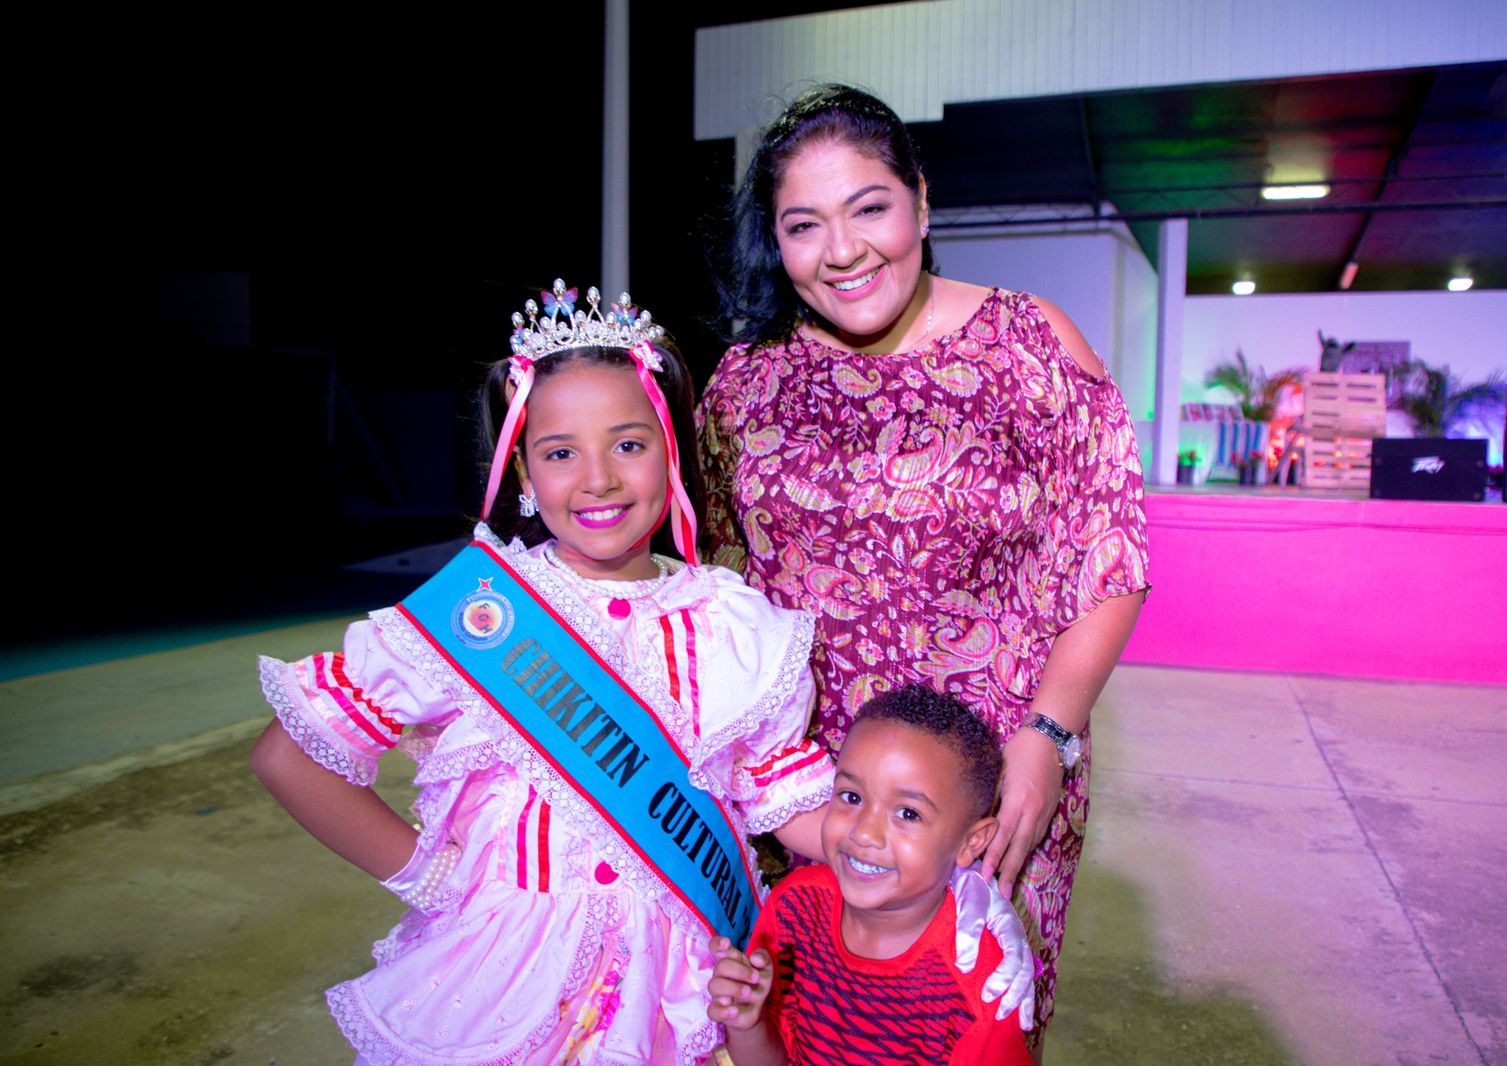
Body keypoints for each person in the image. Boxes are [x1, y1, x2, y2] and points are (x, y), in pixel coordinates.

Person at [250, 281, 1030, 1065]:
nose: (599, 479)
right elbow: (287, 758)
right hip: (498, 972)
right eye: (560, 453)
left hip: (670, 982)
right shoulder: (479, 613)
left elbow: (787, 802)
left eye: (628, 444)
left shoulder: (733, 624)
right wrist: (432, 878)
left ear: (669, 447)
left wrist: (948, 886)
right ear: (522, 473)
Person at [699, 83, 1151, 1042]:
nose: (845, 249)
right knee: (806, 1031)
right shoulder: (746, 385)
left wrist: (1050, 738)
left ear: (921, 201)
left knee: (961, 1031)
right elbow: (707, 585)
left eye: (871, 208)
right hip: (808, 799)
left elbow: (1109, 556)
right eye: (804, 225)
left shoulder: (1031, 345)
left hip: (991, 794)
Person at [706, 685, 1030, 1066]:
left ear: (971, 842)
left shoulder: (983, 984)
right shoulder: (794, 908)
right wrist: (749, 1024)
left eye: (908, 813)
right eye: (851, 797)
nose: (863, 832)